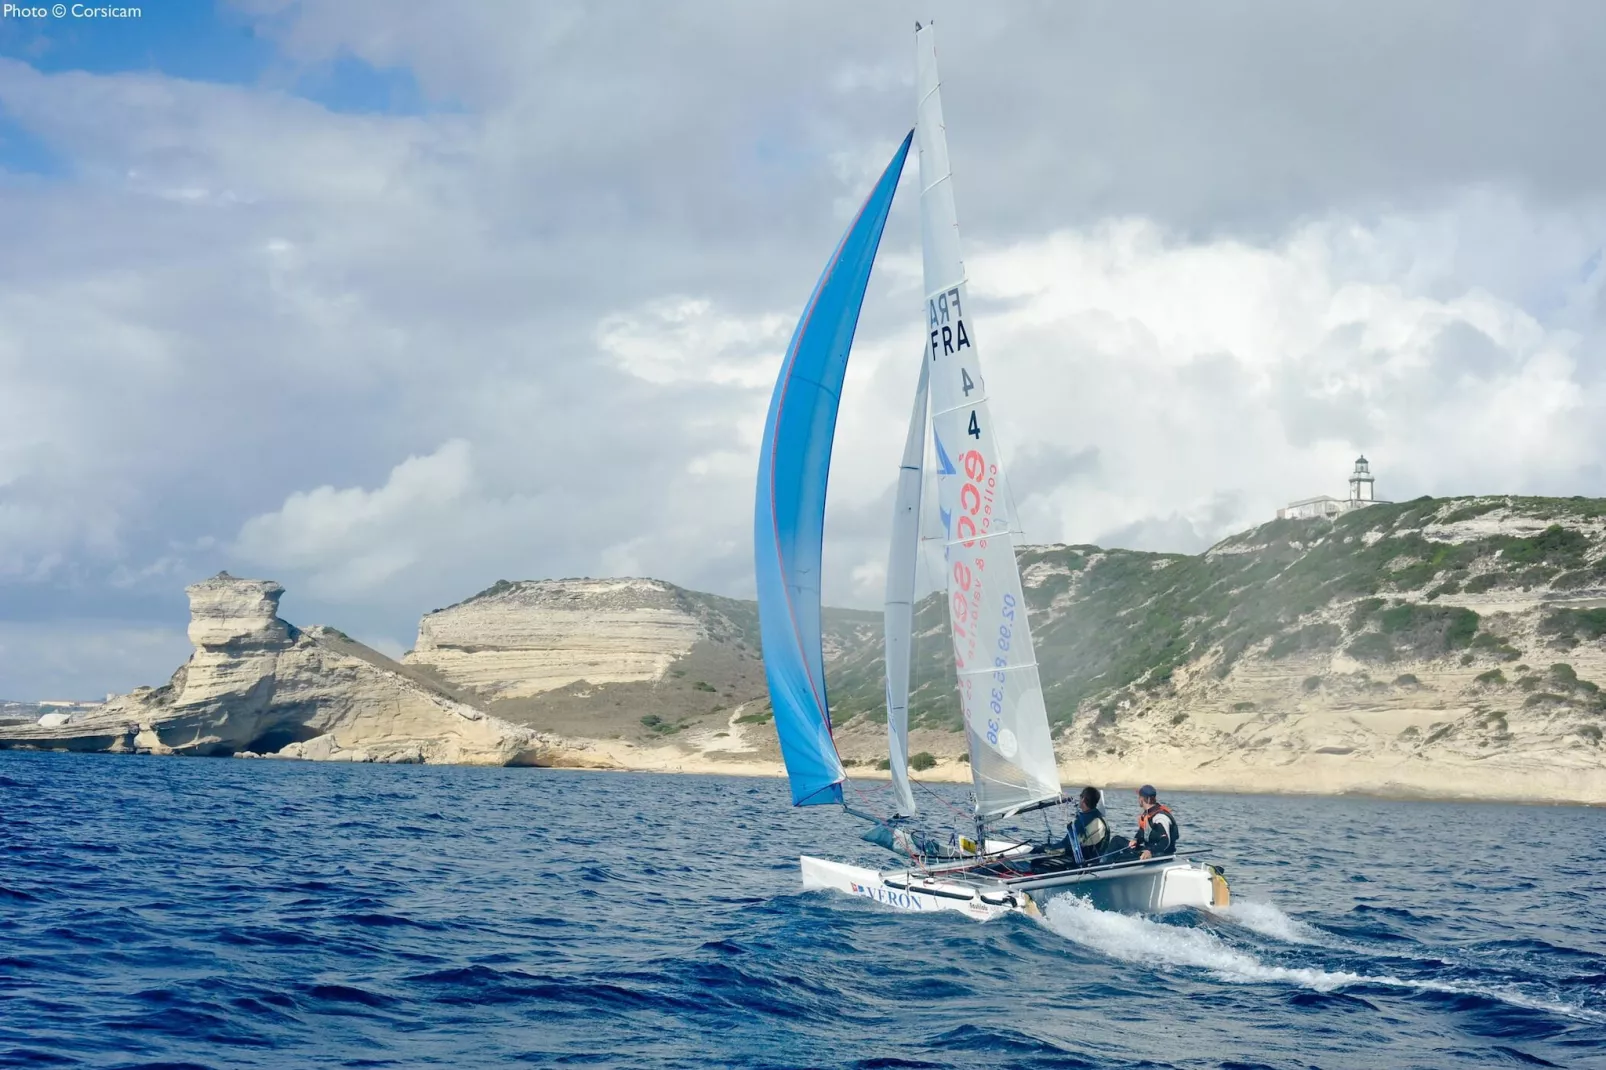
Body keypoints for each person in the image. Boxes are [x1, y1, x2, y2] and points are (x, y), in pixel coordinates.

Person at [1064, 786, 1111, 866]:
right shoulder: (1100, 817)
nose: (1079, 798)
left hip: (1085, 863)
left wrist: (1042, 849)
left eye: (1080, 796)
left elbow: (1069, 844)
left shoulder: (1084, 821)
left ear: (1083, 799)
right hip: (1096, 859)